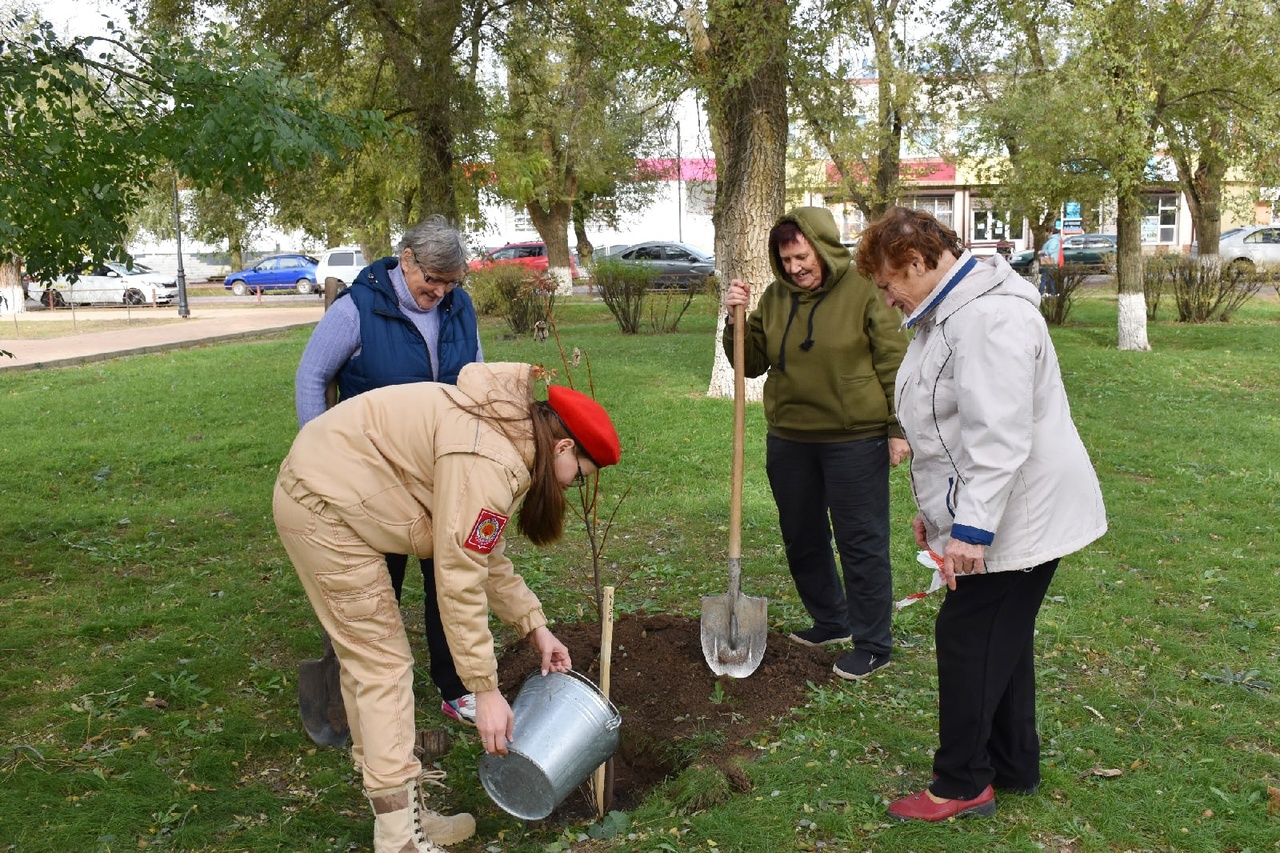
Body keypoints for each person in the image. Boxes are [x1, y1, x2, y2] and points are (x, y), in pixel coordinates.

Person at [274, 362, 622, 852]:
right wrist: (484, 689)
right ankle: (400, 840)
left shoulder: (510, 440)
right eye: (580, 476)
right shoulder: (492, 457)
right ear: (564, 447)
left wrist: (534, 626)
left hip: (343, 490)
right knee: (381, 665)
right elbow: (457, 579)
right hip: (324, 504)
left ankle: (403, 811)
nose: (572, 486)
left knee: (375, 665)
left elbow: (481, 551)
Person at [854, 206, 1107, 822]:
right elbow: (946, 429)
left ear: (917, 261)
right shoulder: (947, 313)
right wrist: (938, 517)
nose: (886, 299)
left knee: (968, 636)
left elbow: (997, 438)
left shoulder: (989, 317)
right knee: (1002, 639)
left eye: (887, 284)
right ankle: (1014, 764)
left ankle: (963, 783)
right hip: (997, 505)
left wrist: (969, 528)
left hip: (1020, 512)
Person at [295, 216, 485, 727]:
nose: (440, 293)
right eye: (433, 281)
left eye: (451, 284)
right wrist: (319, 458)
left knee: (448, 577)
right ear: (406, 260)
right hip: (371, 476)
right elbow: (312, 376)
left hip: (441, 472)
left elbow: (476, 378)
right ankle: (358, 688)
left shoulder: (459, 308)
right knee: (375, 585)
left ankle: (457, 687)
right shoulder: (356, 308)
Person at [722, 206, 910, 681]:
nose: (794, 268)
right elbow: (751, 362)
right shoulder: (775, 296)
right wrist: (734, 319)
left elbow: (894, 360)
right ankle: (832, 619)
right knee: (801, 535)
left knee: (860, 540)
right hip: (790, 437)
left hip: (854, 438)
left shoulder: (865, 289)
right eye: (785, 261)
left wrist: (897, 427)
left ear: (824, 248)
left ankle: (873, 644)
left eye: (802, 257)